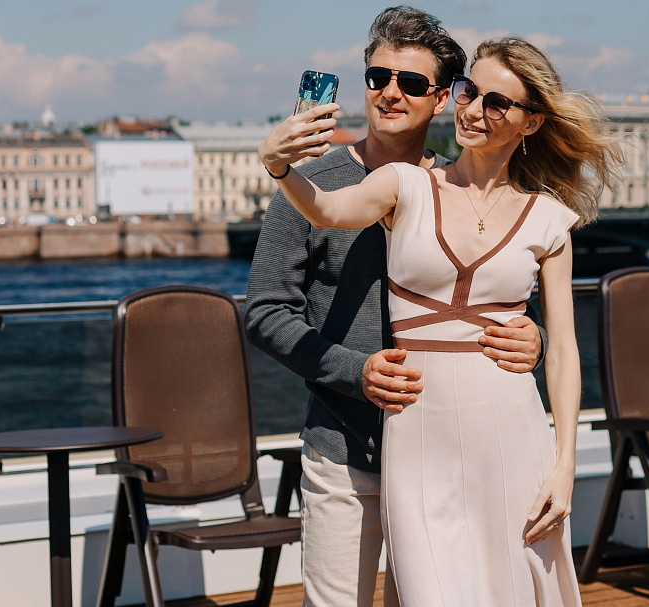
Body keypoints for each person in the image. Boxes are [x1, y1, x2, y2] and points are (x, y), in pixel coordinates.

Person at [260, 36, 620, 606]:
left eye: (495, 102)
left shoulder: (549, 219)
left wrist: (563, 455)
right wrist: (280, 166)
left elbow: (557, 344)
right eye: (471, 92)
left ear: (530, 122)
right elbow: (313, 231)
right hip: (384, 437)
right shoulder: (397, 185)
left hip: (507, 433)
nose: (474, 109)